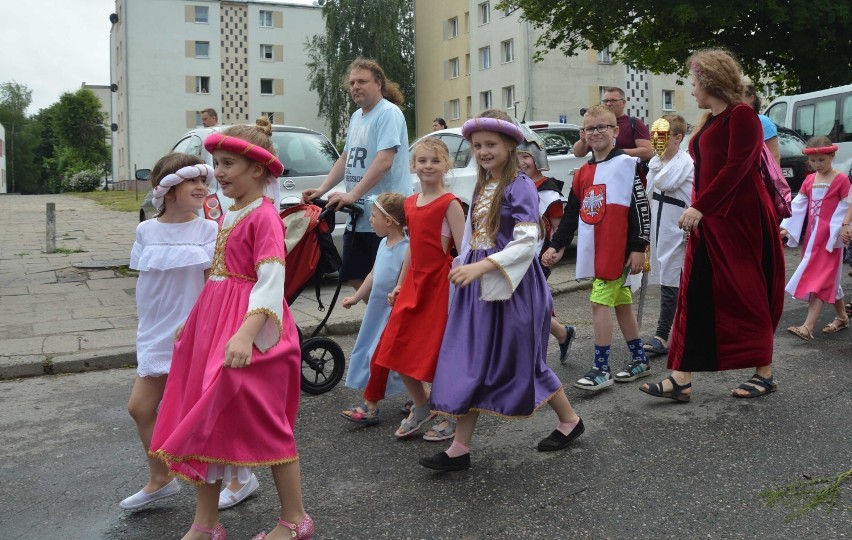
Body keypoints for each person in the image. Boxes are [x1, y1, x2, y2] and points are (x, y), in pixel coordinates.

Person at [150, 118, 313, 540]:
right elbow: (220, 275)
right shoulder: (229, 212)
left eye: (227, 164)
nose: (218, 172)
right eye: (216, 163)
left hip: (252, 331)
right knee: (207, 419)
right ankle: (205, 525)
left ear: (257, 170)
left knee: (266, 420)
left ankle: (295, 520)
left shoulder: (264, 218)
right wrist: (194, 318)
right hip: (214, 324)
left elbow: (269, 281)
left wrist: (245, 334)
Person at [420, 110, 585, 473]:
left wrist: (481, 266)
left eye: (491, 144)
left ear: (511, 145)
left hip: (513, 287)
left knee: (522, 363)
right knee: (471, 362)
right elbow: (472, 236)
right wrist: (462, 262)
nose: (483, 151)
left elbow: (528, 242)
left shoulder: (519, 185)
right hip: (479, 289)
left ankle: (570, 420)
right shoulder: (483, 185)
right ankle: (459, 449)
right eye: (477, 145)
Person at [640, 49, 785, 403]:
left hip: (741, 221)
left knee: (747, 294)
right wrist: (699, 210)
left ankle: (764, 373)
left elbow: (736, 168)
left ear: (710, 82)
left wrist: (699, 208)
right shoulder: (710, 121)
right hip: (712, 220)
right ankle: (681, 376)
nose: (691, 90)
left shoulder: (742, 117)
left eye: (693, 83)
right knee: (696, 293)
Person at [119, 155, 218, 511]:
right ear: (167, 189)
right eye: (192, 181)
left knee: (198, 414)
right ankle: (161, 479)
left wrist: (197, 325)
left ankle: (238, 476)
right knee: (140, 408)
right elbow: (149, 284)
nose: (202, 187)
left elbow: (213, 287)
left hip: (190, 333)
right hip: (154, 332)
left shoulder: (208, 230)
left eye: (204, 181)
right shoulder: (146, 230)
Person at [542, 105, 651, 392]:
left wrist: (639, 246)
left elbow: (641, 208)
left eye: (603, 127)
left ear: (615, 131)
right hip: (598, 248)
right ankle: (639, 358)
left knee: (599, 302)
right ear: (584, 134)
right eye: (590, 128)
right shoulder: (583, 173)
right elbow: (571, 214)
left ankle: (601, 368)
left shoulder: (627, 165)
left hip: (618, 249)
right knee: (622, 304)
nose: (596, 132)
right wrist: (558, 245)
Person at [370, 137, 466, 441]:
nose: (428, 166)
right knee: (394, 349)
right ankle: (422, 405)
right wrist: (400, 283)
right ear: (414, 165)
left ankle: (450, 413)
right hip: (413, 284)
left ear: (446, 166)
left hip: (439, 284)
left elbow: (463, 251)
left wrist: (465, 286)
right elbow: (412, 249)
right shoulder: (410, 203)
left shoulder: (450, 203)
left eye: (435, 161)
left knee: (437, 354)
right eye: (422, 161)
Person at [301, 58, 412, 290]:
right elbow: (345, 158)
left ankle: (389, 322)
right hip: (360, 215)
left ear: (379, 83)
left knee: (386, 280)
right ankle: (384, 320)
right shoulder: (356, 117)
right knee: (351, 273)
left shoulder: (388, 114)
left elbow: (384, 161)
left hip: (386, 212)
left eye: (362, 81)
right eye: (352, 83)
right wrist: (323, 189)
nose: (355, 87)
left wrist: (351, 195)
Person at [338, 192, 408, 423]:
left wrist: (397, 294)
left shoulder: (406, 248)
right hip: (376, 312)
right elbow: (374, 273)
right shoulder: (382, 244)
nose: (370, 220)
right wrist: (357, 297)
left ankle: (370, 405)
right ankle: (423, 397)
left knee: (377, 355)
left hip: (391, 311)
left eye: (373, 216)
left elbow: (405, 279)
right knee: (373, 352)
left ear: (388, 221)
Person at [516, 133, 576, 363]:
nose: (521, 163)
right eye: (517, 157)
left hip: (540, 257)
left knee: (528, 303)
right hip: (518, 254)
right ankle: (562, 333)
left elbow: (560, 229)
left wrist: (557, 251)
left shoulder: (550, 194)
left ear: (538, 159)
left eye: (526, 157)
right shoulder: (515, 186)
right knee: (527, 303)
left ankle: (531, 358)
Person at [782, 137, 850, 340]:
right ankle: (842, 317)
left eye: (821, 160)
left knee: (819, 279)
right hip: (813, 238)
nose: (817, 165)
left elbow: (849, 204)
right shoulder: (810, 180)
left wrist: (845, 225)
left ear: (832, 156)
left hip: (831, 239)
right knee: (829, 279)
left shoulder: (841, 179)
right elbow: (799, 203)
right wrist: (786, 227)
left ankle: (807, 326)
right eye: (813, 161)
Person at [642, 115, 694, 357]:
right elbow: (649, 197)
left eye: (661, 135)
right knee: (668, 282)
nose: (655, 140)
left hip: (679, 231)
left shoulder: (686, 164)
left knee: (673, 284)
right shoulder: (655, 165)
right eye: (654, 135)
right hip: (659, 231)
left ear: (678, 138)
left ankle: (662, 335)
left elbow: (686, 195)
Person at [573, 87, 653, 161]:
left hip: (628, 172)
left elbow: (648, 152)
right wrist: (583, 141)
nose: (608, 104)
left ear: (623, 103)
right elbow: (578, 153)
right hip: (601, 172)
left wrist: (616, 153)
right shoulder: (596, 123)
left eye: (613, 101)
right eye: (605, 101)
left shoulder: (634, 123)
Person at [743, 80, 781, 164]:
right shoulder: (735, 123)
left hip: (762, 175)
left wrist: (773, 177)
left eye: (739, 95)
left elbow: (774, 155)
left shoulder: (763, 122)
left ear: (751, 98)